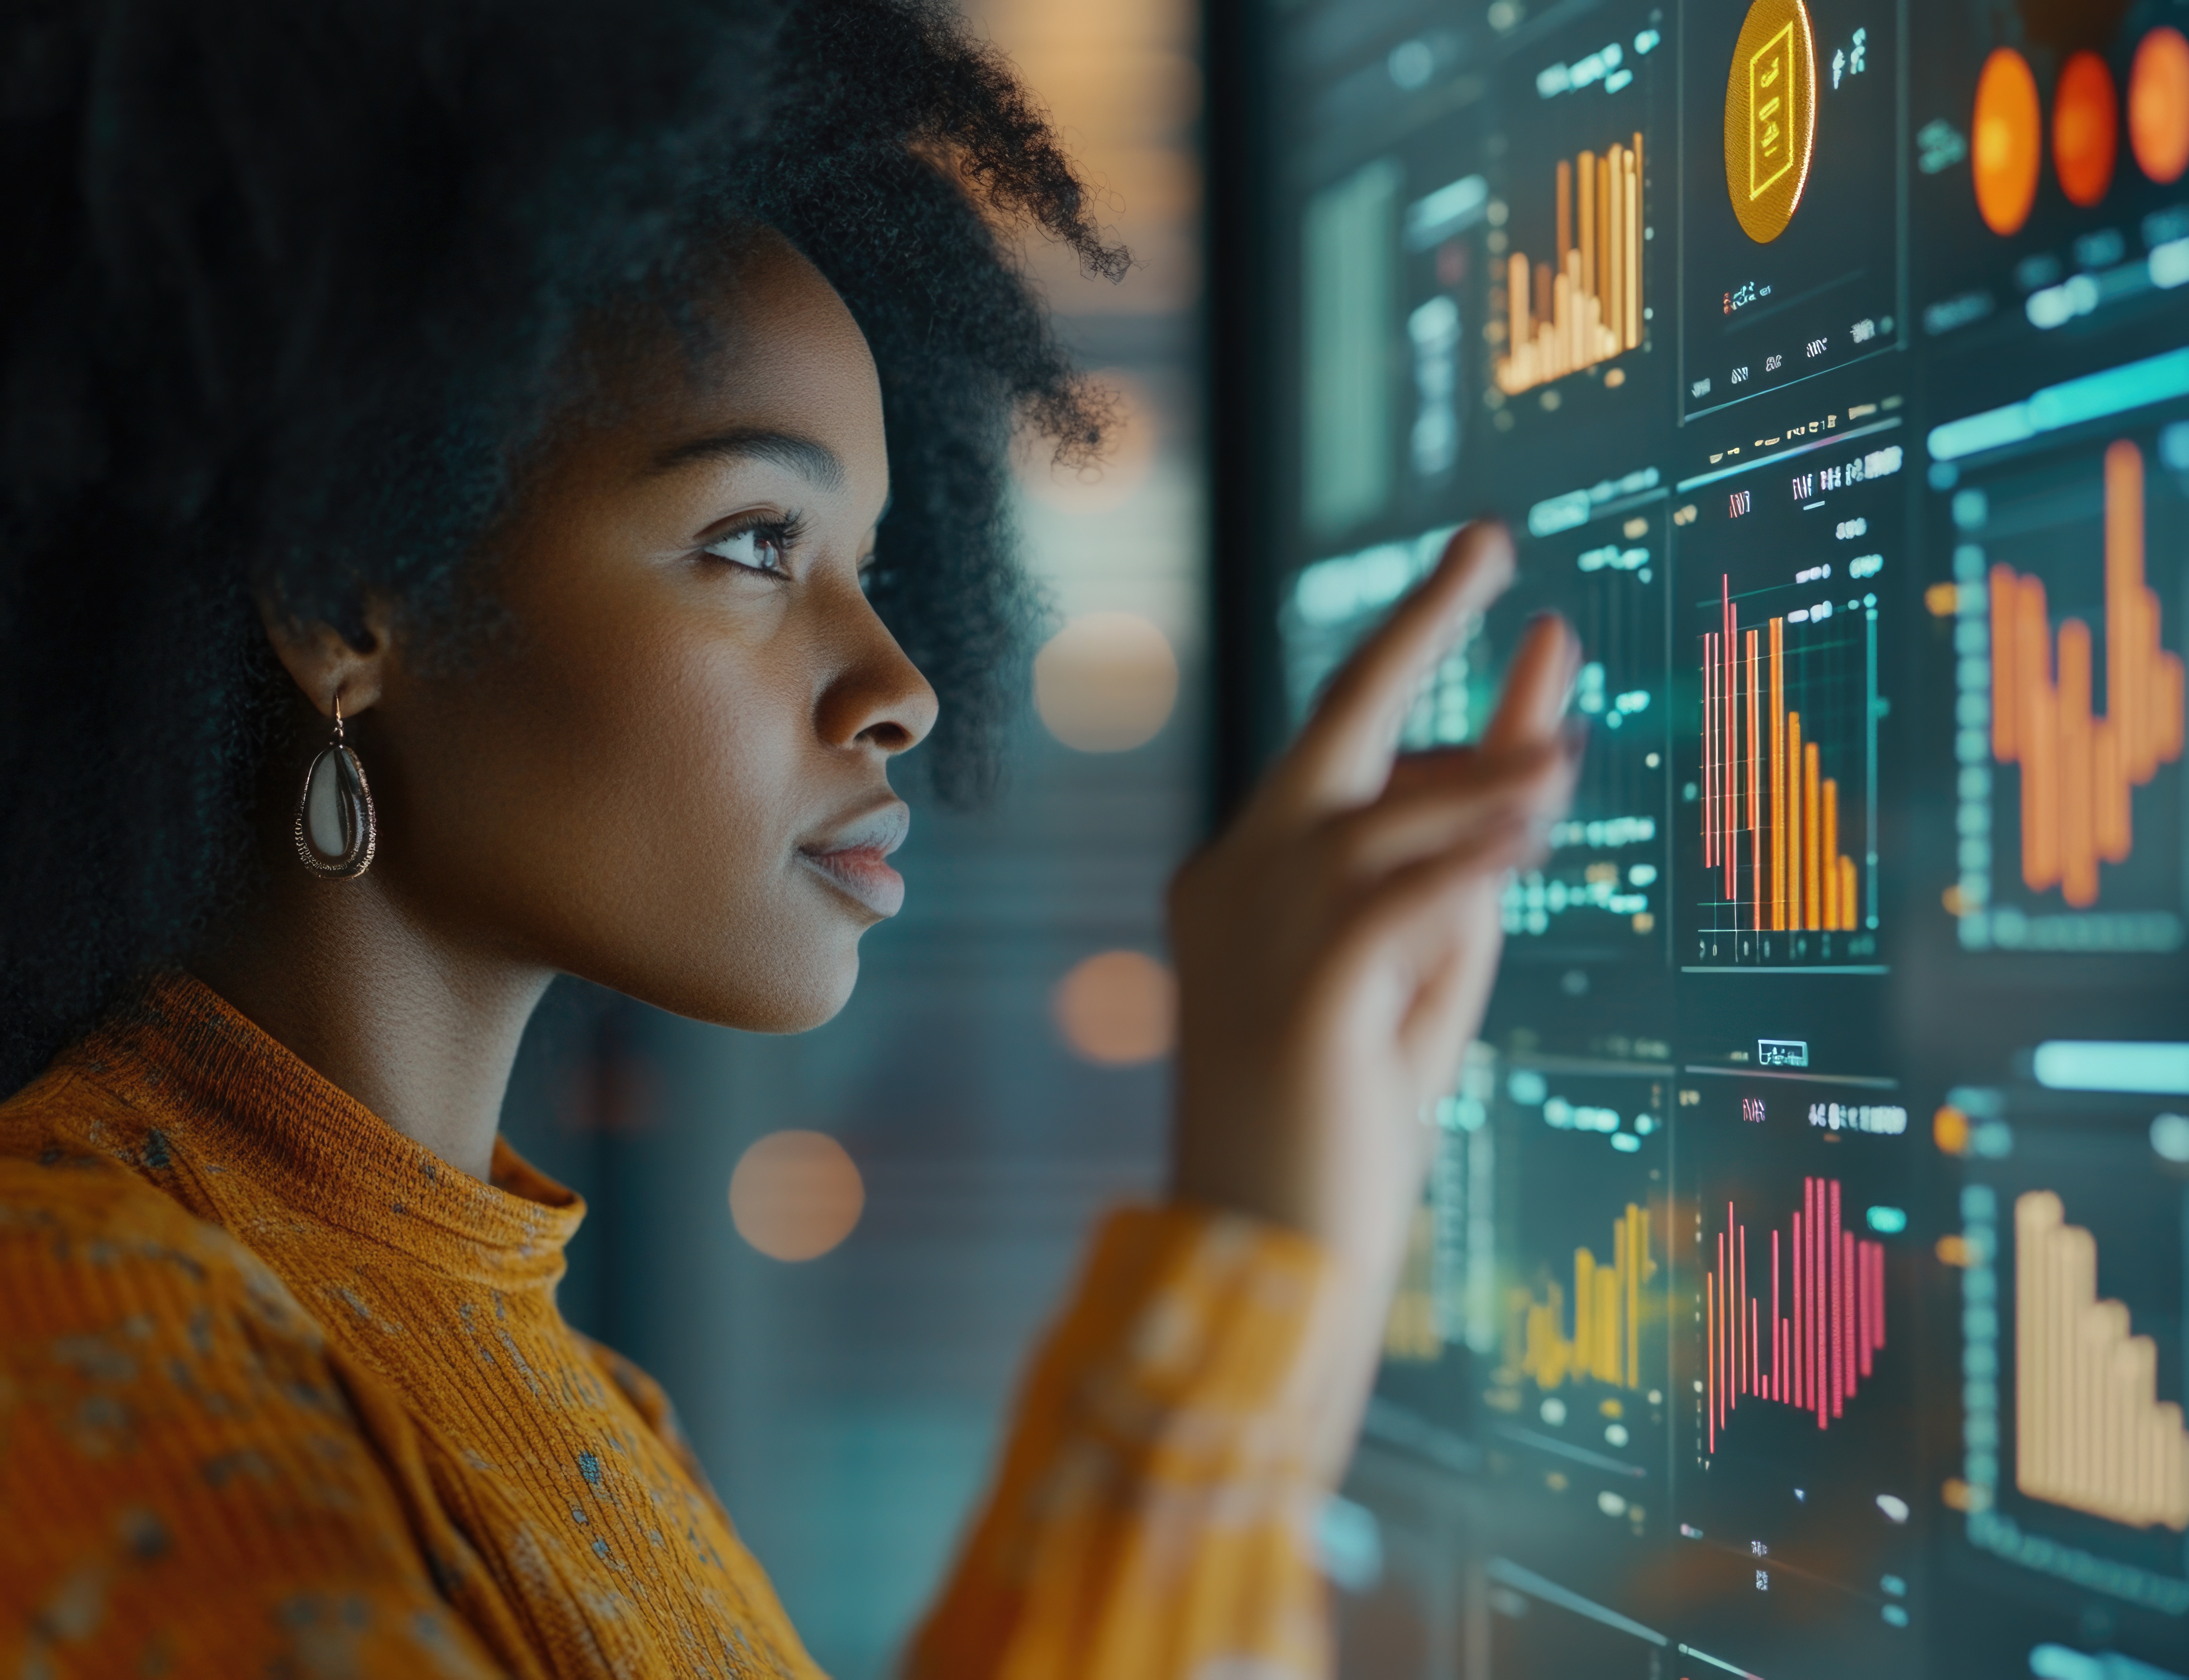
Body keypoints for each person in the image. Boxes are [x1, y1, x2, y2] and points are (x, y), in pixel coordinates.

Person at [0, 0, 1579, 1674]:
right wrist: (1257, 1232)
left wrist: (1308, 1237)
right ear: (343, 600)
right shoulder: (69, 1307)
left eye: (871, 564)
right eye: (757, 540)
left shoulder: (595, 1405)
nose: (903, 688)